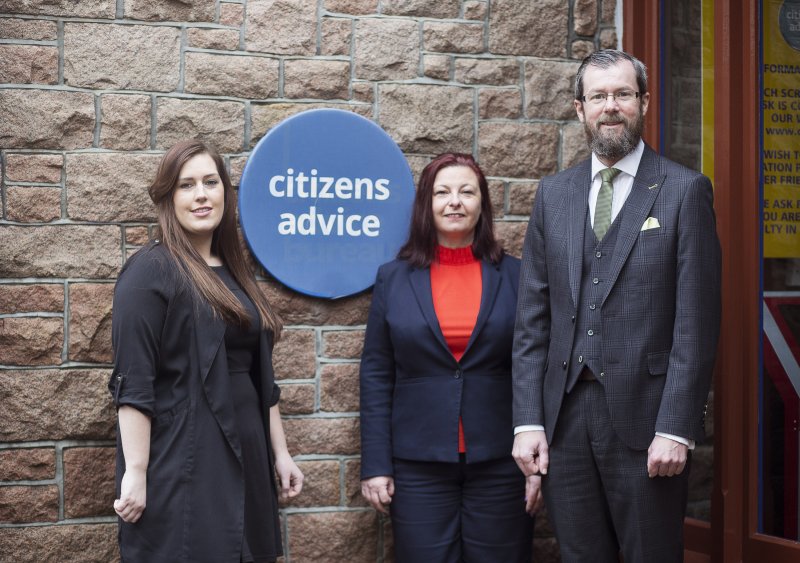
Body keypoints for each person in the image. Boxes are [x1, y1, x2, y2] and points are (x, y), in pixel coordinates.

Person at [511, 49, 722, 562]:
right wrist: (528, 422)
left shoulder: (683, 191)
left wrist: (676, 426)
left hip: (648, 424)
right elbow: (532, 322)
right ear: (579, 108)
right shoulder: (553, 195)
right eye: (599, 96)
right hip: (565, 421)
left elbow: (696, 322)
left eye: (623, 94)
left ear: (643, 103)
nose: (611, 106)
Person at [108, 140, 303, 563]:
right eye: (186, 185)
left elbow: (260, 374)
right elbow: (133, 382)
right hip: (188, 453)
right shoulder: (149, 271)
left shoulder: (236, 270)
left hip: (246, 447)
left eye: (211, 182)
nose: (201, 195)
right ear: (167, 197)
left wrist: (281, 452)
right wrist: (136, 473)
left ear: (225, 192)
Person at [360, 153, 539, 562]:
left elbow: (533, 367)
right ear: (427, 204)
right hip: (418, 463)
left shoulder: (516, 276)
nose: (454, 201)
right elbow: (376, 373)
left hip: (501, 461)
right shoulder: (394, 278)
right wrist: (375, 464)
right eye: (442, 192)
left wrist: (539, 463)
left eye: (466, 192)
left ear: (482, 203)